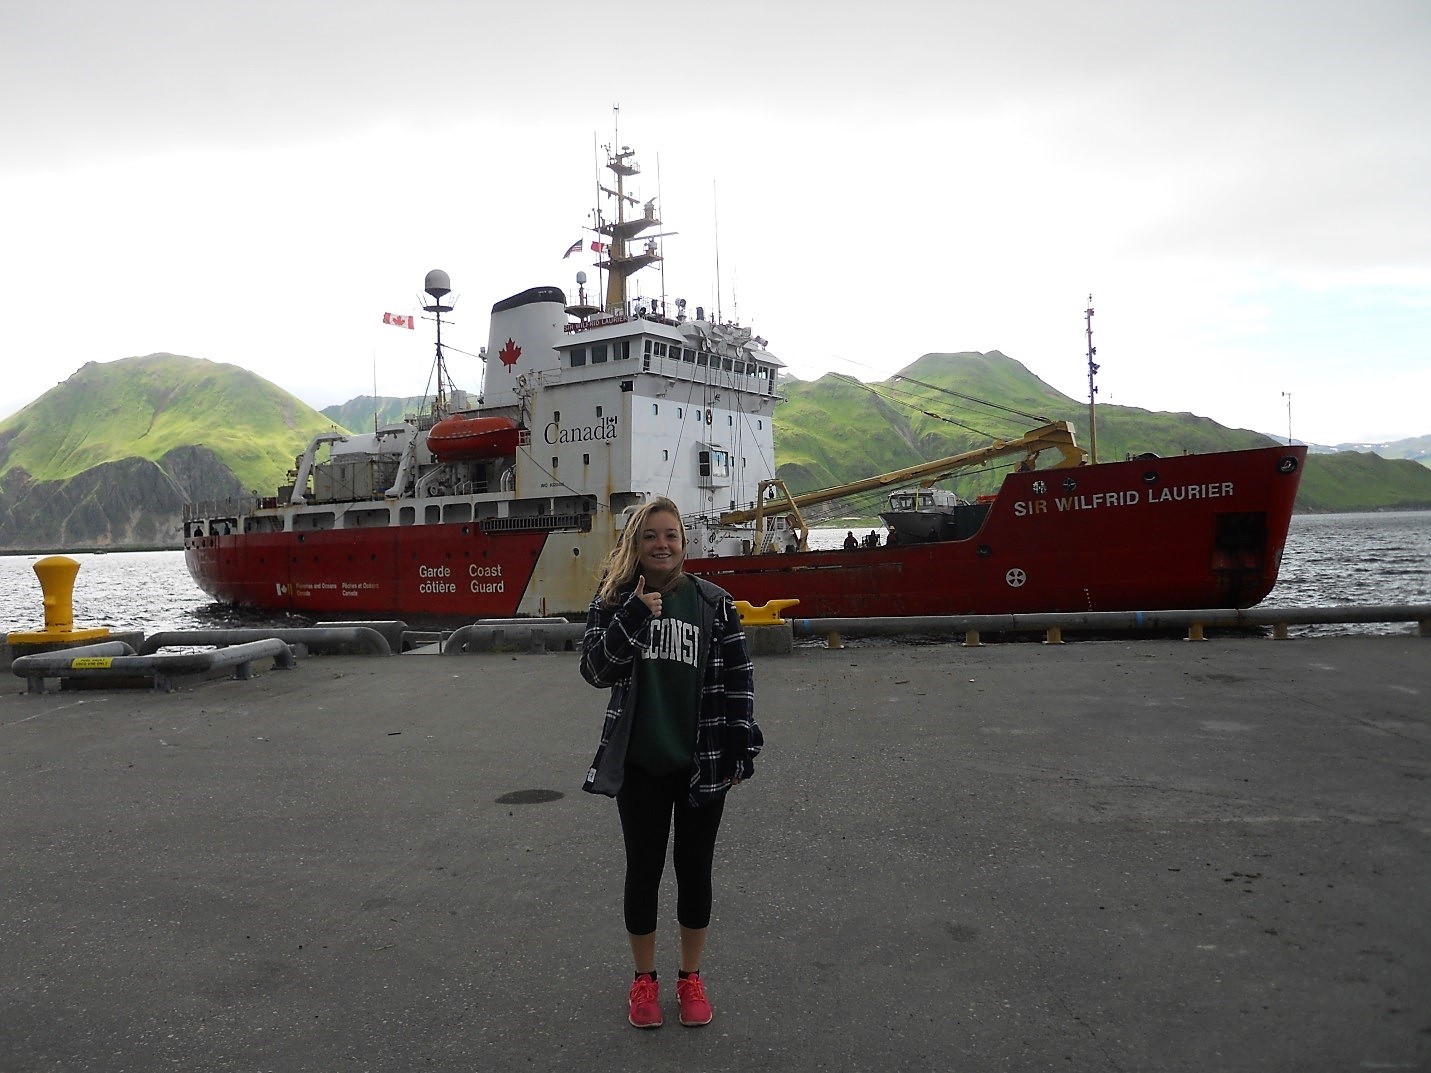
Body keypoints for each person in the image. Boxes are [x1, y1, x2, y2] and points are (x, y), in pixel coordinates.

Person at [580, 496, 763, 1030]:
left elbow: (738, 682)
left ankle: (690, 976)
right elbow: (595, 669)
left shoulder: (714, 603)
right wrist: (637, 613)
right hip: (640, 764)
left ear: (684, 543)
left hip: (702, 762)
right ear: (636, 545)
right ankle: (644, 981)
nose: (662, 544)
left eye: (671, 535)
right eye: (651, 536)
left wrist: (740, 750)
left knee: (694, 872)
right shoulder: (615, 601)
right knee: (643, 873)